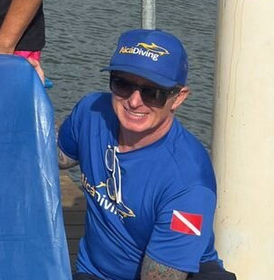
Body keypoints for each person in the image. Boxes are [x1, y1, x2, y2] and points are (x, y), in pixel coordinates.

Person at [58, 29, 235, 280]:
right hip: (96, 273)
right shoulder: (91, 112)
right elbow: (54, 157)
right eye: (122, 83)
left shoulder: (189, 183)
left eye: (153, 92)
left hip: (180, 272)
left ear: (178, 98)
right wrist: (21, 89)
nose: (134, 101)